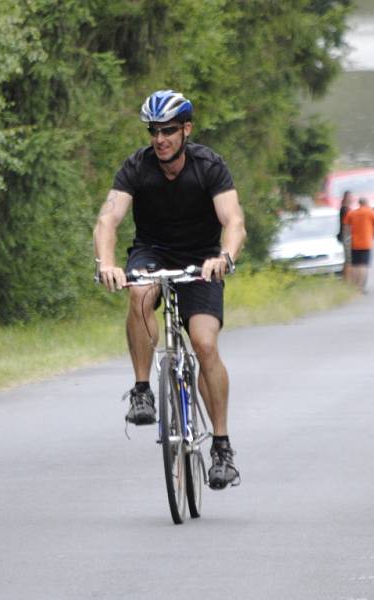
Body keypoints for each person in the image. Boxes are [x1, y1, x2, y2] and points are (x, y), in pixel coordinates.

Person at [93, 90, 246, 490]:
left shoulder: (209, 165)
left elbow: (233, 221)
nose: (160, 139)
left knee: (204, 343)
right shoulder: (136, 167)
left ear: (186, 130)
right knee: (139, 294)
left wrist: (225, 257)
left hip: (202, 259)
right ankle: (143, 390)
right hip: (153, 252)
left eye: (168, 131)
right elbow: (108, 220)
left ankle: (222, 447)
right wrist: (106, 264)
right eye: (153, 131)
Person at [342, 197, 374, 293]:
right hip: (366, 243)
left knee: (355, 265)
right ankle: (361, 286)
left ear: (359, 203)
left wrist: (347, 239)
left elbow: (346, 227)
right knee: (363, 265)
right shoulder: (370, 212)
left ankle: (355, 286)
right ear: (366, 203)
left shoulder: (352, 213)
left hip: (354, 243)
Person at [337, 191, 353, 282]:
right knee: (348, 260)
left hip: (345, 235)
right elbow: (346, 224)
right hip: (346, 236)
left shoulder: (345, 209)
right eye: (350, 197)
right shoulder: (345, 209)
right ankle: (347, 279)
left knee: (347, 260)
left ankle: (346, 279)